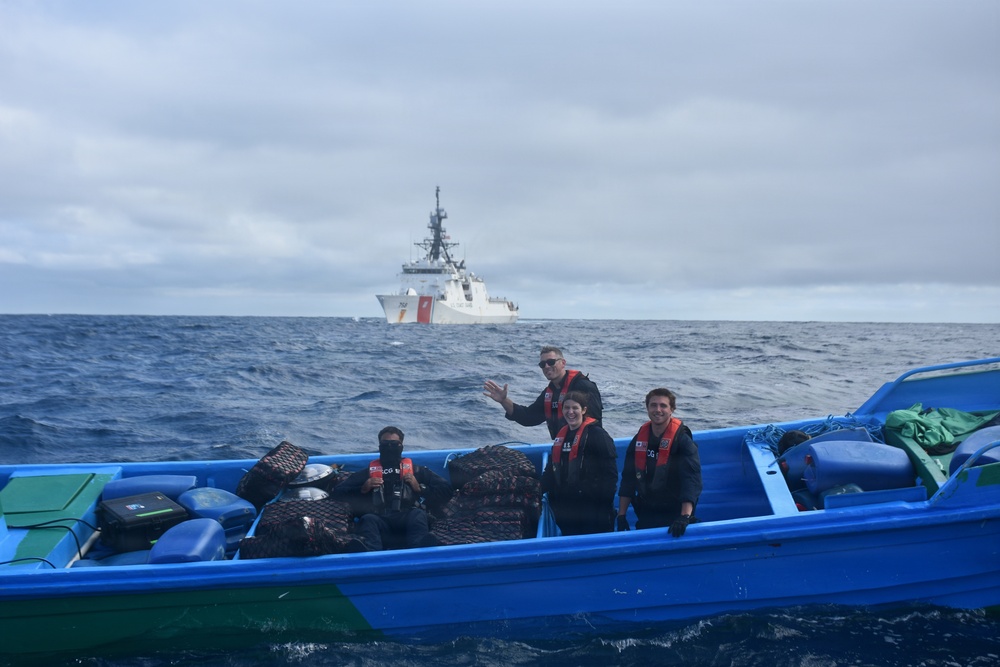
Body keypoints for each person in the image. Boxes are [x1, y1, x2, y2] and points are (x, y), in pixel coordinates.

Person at [333, 426, 453, 551]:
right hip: (380, 520)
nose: (389, 447)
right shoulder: (368, 472)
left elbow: (447, 490)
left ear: (401, 446)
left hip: (408, 519)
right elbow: (338, 493)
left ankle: (420, 550)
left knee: (418, 515)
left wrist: (420, 488)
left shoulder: (416, 471)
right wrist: (362, 489)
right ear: (380, 446)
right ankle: (369, 553)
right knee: (368, 519)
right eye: (385, 444)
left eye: (394, 444)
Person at [617, 388, 702, 537]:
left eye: (663, 406)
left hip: (675, 511)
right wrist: (622, 514)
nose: (658, 410)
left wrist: (685, 517)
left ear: (672, 409)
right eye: (653, 405)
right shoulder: (639, 439)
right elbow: (628, 478)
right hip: (647, 510)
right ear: (647, 408)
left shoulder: (682, 441)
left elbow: (691, 480)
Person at [541, 391, 618, 536]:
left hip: (593, 511)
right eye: (567, 408)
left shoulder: (598, 435)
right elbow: (551, 471)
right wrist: (534, 491)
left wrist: (603, 509)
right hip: (567, 511)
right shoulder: (561, 437)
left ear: (584, 410)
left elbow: (610, 475)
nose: (571, 412)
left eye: (575, 408)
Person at [483, 345, 603, 439]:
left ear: (563, 363)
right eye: (542, 364)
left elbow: (595, 422)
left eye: (551, 362)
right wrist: (504, 401)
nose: (546, 366)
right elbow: (528, 417)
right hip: (561, 445)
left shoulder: (583, 386)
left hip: (586, 446)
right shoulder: (548, 393)